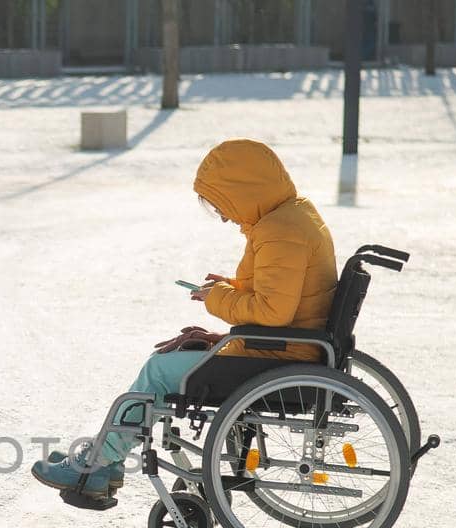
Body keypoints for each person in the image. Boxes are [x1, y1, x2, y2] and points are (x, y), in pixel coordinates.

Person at [32, 139, 339, 498]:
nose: (224, 215)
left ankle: (98, 464)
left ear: (243, 191)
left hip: (278, 359)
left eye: (222, 203)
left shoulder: (279, 231)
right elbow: (282, 295)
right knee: (168, 360)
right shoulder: (293, 215)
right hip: (283, 349)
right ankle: (108, 460)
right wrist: (223, 317)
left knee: (157, 371)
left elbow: (273, 311)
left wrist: (218, 297)